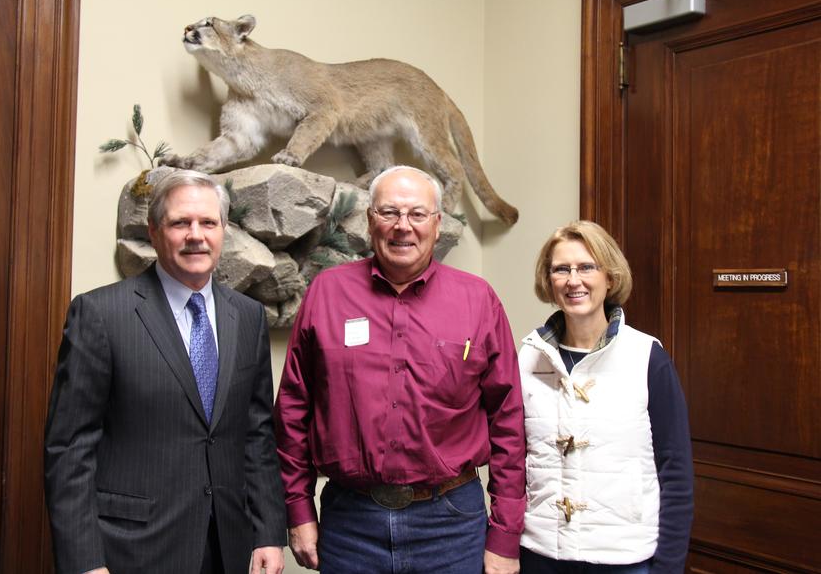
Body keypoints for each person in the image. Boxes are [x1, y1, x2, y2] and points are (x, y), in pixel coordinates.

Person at [274, 165, 526, 574]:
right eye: (389, 212)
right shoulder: (327, 293)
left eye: (416, 214)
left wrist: (504, 534)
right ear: (370, 220)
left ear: (437, 223)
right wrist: (298, 509)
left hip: (451, 525)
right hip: (350, 523)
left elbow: (508, 421)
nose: (402, 227)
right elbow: (292, 410)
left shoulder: (477, 300)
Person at [44, 170, 286, 574]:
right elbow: (70, 449)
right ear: (155, 232)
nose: (196, 235)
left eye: (208, 223)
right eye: (180, 223)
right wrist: (84, 561)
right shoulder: (102, 314)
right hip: (133, 550)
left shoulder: (247, 316)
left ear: (223, 231)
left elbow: (257, 434)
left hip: (230, 545)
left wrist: (268, 532)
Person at [518, 221, 694, 573]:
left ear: (609, 278)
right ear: (548, 281)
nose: (573, 280)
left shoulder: (648, 357)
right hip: (540, 554)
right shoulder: (527, 357)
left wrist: (669, 566)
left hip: (624, 558)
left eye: (586, 267)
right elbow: (512, 462)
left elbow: (676, 471)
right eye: (561, 269)